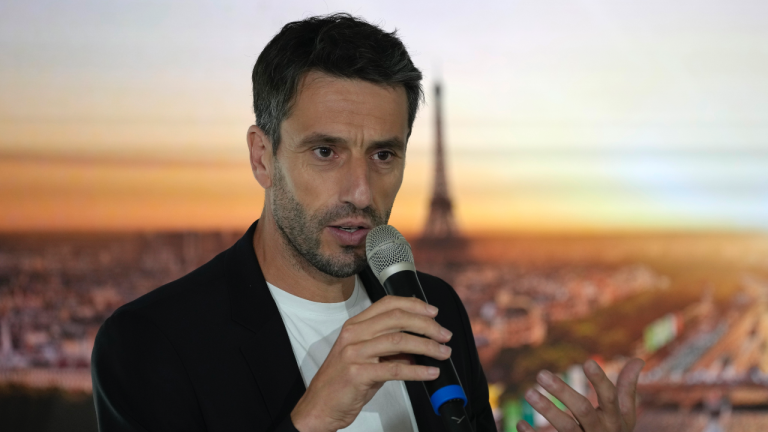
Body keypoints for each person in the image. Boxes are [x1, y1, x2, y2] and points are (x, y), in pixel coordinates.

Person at [91, 13, 643, 432]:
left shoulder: (437, 310)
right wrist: (309, 419)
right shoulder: (152, 343)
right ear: (262, 157)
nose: (360, 192)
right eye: (326, 152)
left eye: (383, 155)